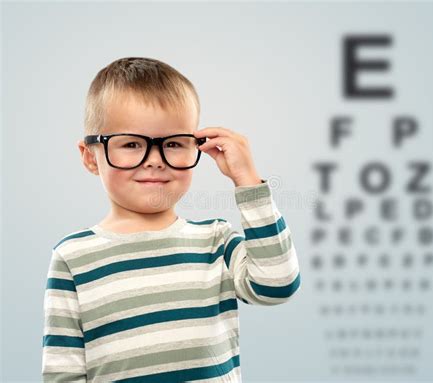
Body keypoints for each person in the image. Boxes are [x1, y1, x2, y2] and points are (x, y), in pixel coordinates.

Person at [41, 57, 301, 382]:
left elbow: (277, 286)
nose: (154, 161)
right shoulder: (73, 257)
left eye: (173, 144)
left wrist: (247, 179)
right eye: (132, 144)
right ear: (90, 156)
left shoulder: (216, 241)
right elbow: (62, 371)